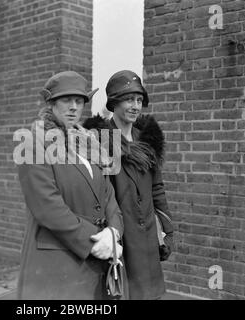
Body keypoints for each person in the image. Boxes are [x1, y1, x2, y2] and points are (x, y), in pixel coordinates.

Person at [16, 71, 124, 300]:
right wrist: (96, 240)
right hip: (57, 265)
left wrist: (113, 232)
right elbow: (47, 207)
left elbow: (108, 196)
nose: (74, 107)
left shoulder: (90, 144)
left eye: (79, 101)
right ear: (52, 104)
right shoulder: (33, 143)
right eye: (66, 100)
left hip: (95, 262)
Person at [84, 70, 174, 300]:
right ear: (113, 103)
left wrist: (167, 230)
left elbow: (157, 188)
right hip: (119, 236)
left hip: (147, 237)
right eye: (128, 99)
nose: (135, 106)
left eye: (139, 100)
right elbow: (95, 194)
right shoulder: (99, 141)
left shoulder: (147, 140)